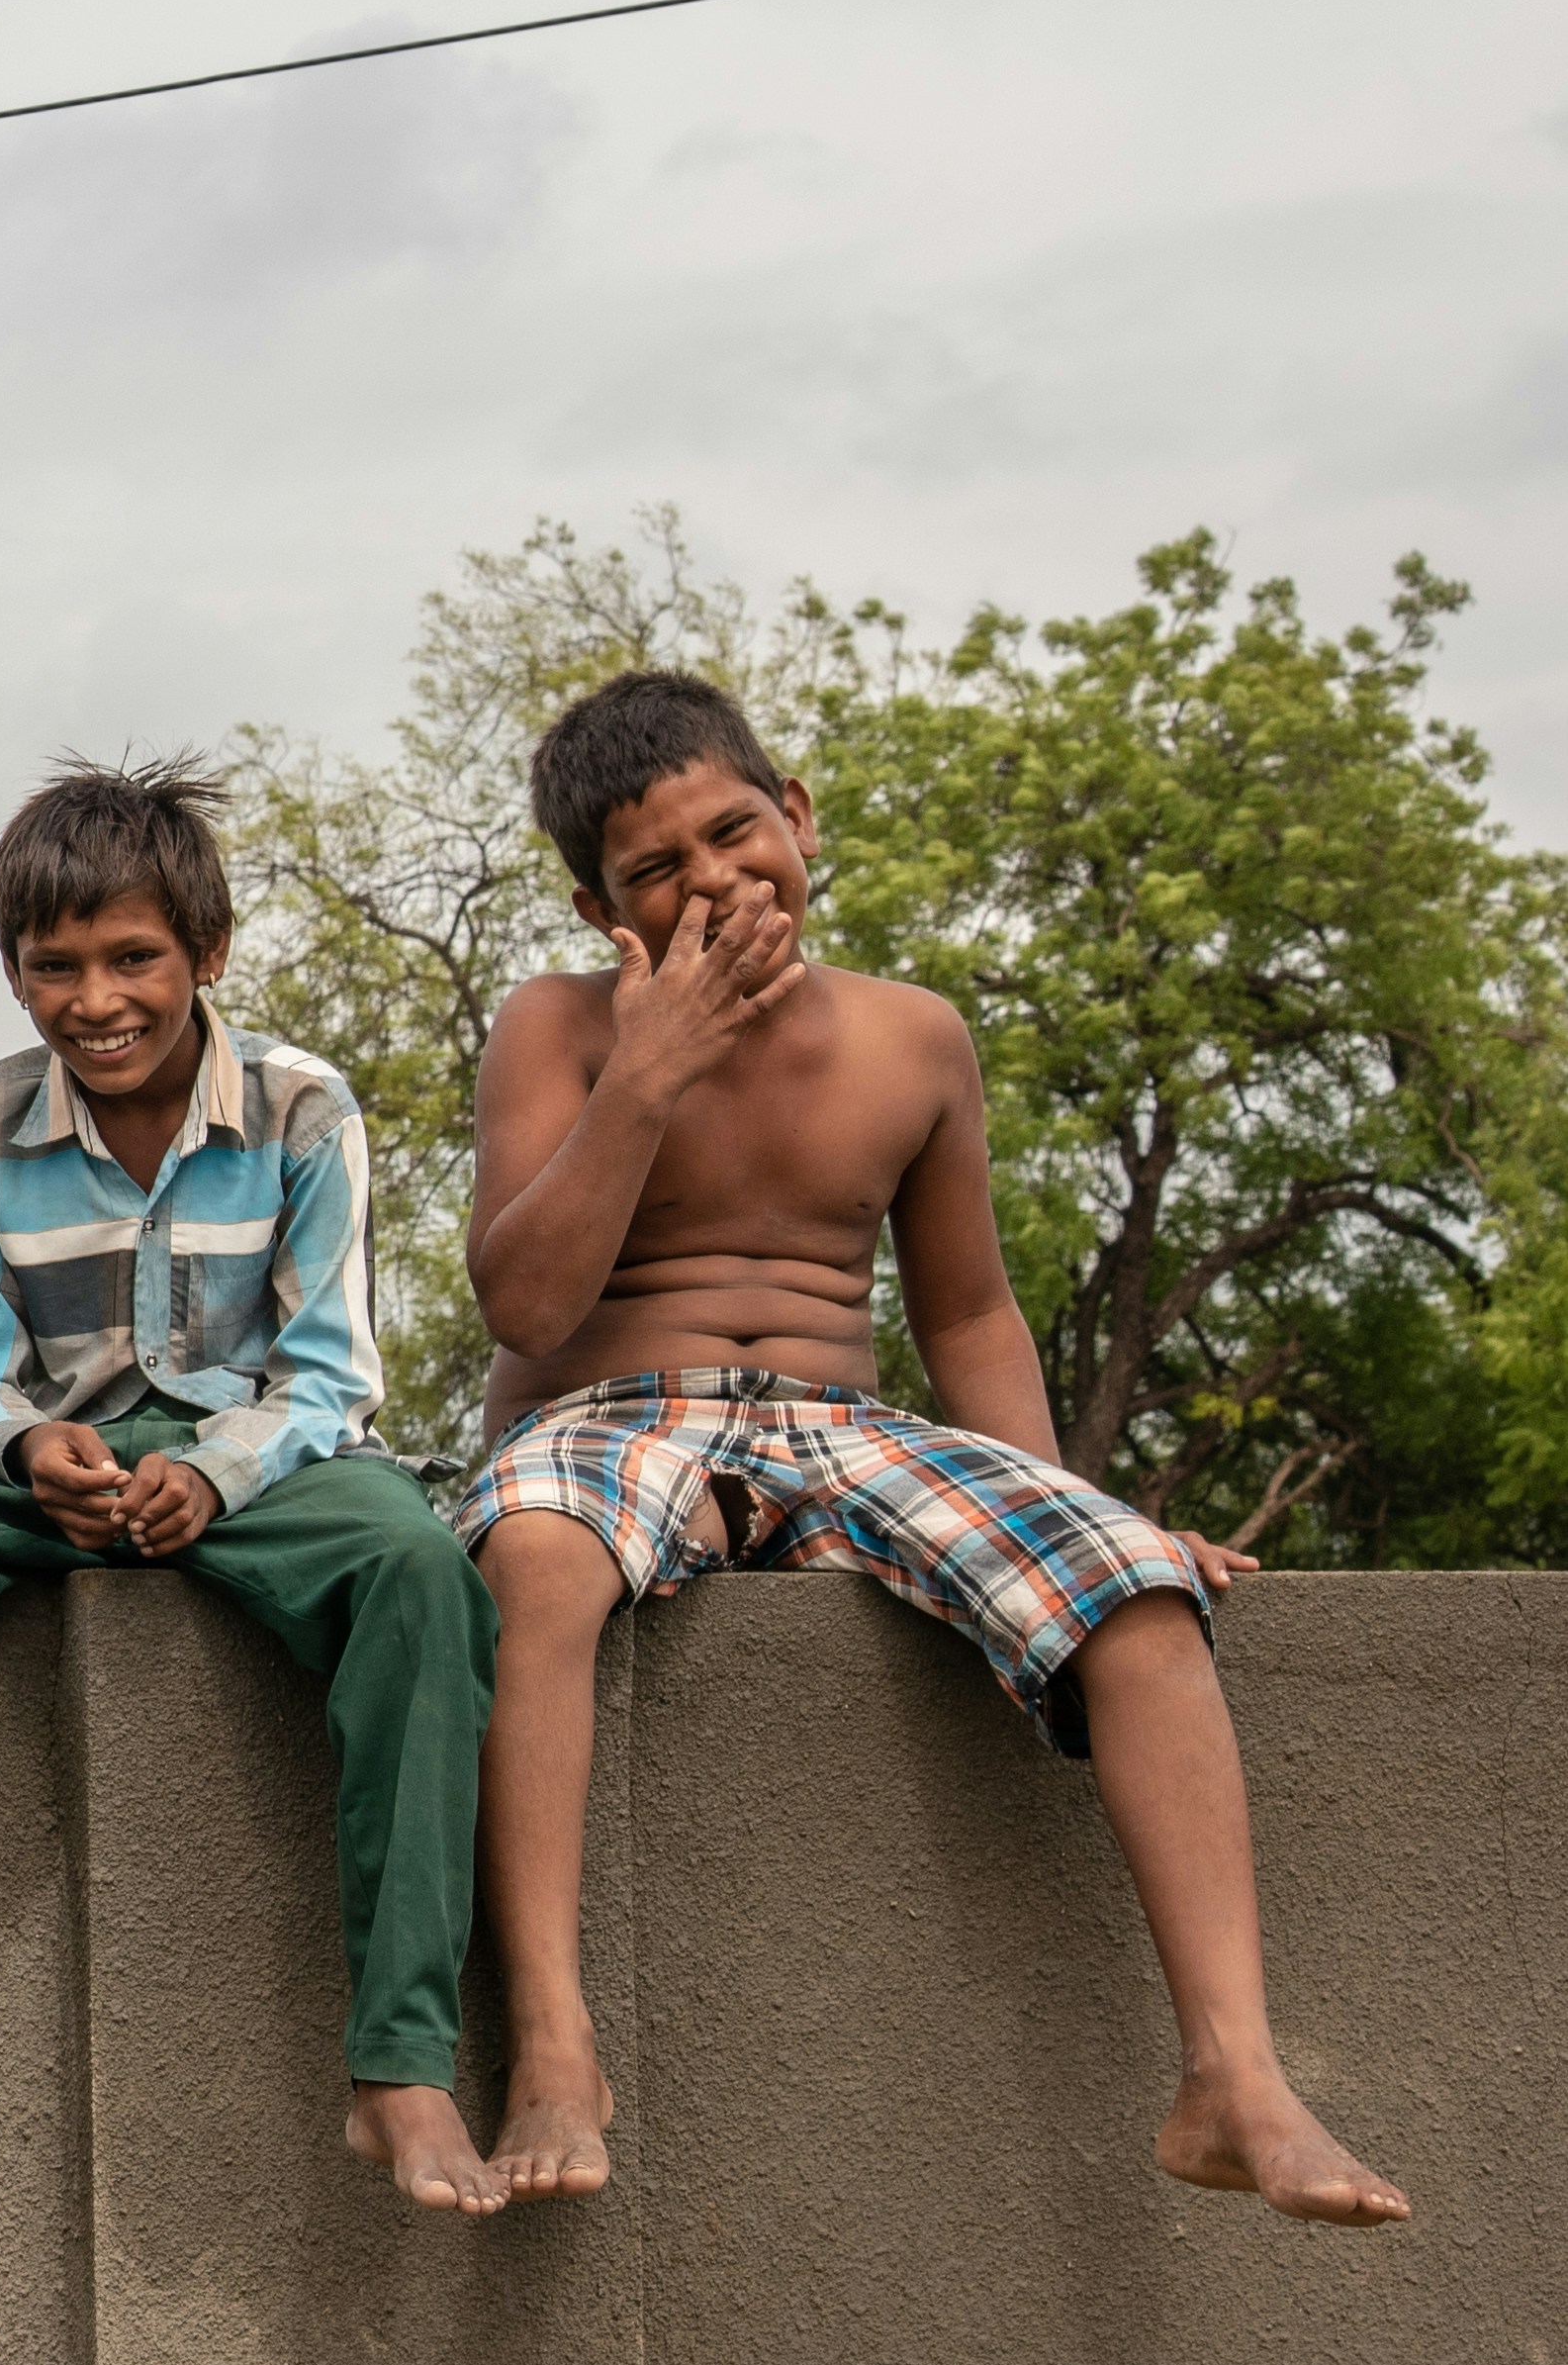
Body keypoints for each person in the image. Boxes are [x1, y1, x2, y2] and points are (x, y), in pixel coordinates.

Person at [454, 671, 1401, 2223]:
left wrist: (1078, 1512)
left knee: (1139, 1594)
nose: (711, 880)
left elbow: (968, 1319)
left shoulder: (913, 1038)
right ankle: (555, 2044)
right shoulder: (557, 1027)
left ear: (798, 818)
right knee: (536, 1562)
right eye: (655, 870)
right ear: (596, 905)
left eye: (734, 832)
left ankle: (1233, 2077)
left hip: (842, 1428)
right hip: (608, 1414)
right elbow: (525, 1298)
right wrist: (650, 1066)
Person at [0, 759, 508, 2224]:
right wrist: (24, 1452)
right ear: (12, 976)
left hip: (263, 1468)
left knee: (421, 1573)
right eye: (50, 967)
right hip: (40, 1470)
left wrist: (208, 1469)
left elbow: (328, 1375)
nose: (93, 998)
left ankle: (401, 2067)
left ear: (205, 954)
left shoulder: (302, 1111)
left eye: (131, 958)